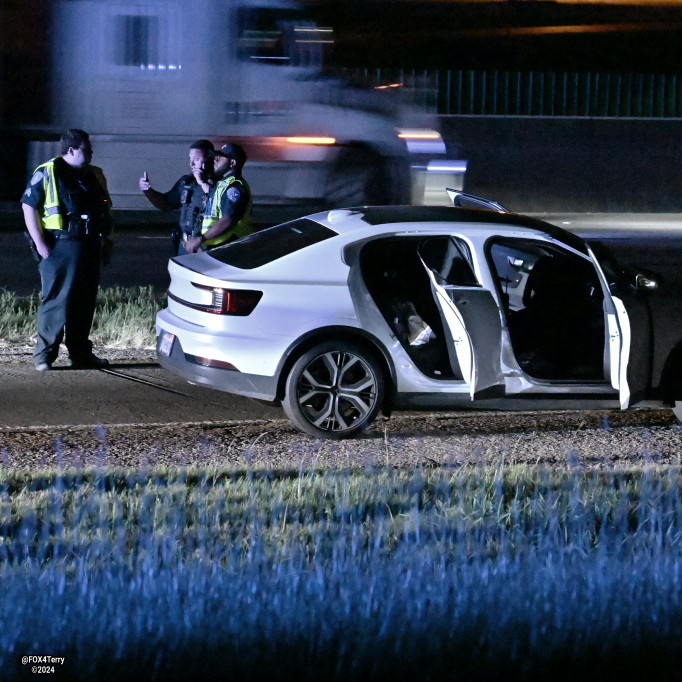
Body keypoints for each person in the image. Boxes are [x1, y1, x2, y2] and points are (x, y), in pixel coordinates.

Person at [21, 128, 114, 371]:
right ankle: (44, 356)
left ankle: (80, 354)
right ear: (71, 150)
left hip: (90, 243)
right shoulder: (48, 172)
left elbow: (106, 210)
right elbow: (28, 206)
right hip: (61, 245)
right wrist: (40, 243)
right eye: (87, 148)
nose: (91, 152)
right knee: (56, 301)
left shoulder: (94, 175)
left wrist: (108, 243)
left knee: (84, 302)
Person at [138, 139, 214, 255]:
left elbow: (219, 207)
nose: (191, 164)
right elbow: (167, 203)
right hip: (185, 244)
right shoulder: (187, 182)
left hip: (206, 246)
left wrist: (202, 182)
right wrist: (147, 190)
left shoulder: (217, 183)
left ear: (209, 159)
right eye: (190, 159)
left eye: (196, 159)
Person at [184, 143, 252, 254]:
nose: (215, 160)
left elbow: (228, 219)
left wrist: (201, 239)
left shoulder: (234, 187)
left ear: (232, 163)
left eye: (220, 158)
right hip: (218, 245)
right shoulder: (222, 185)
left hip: (230, 246)